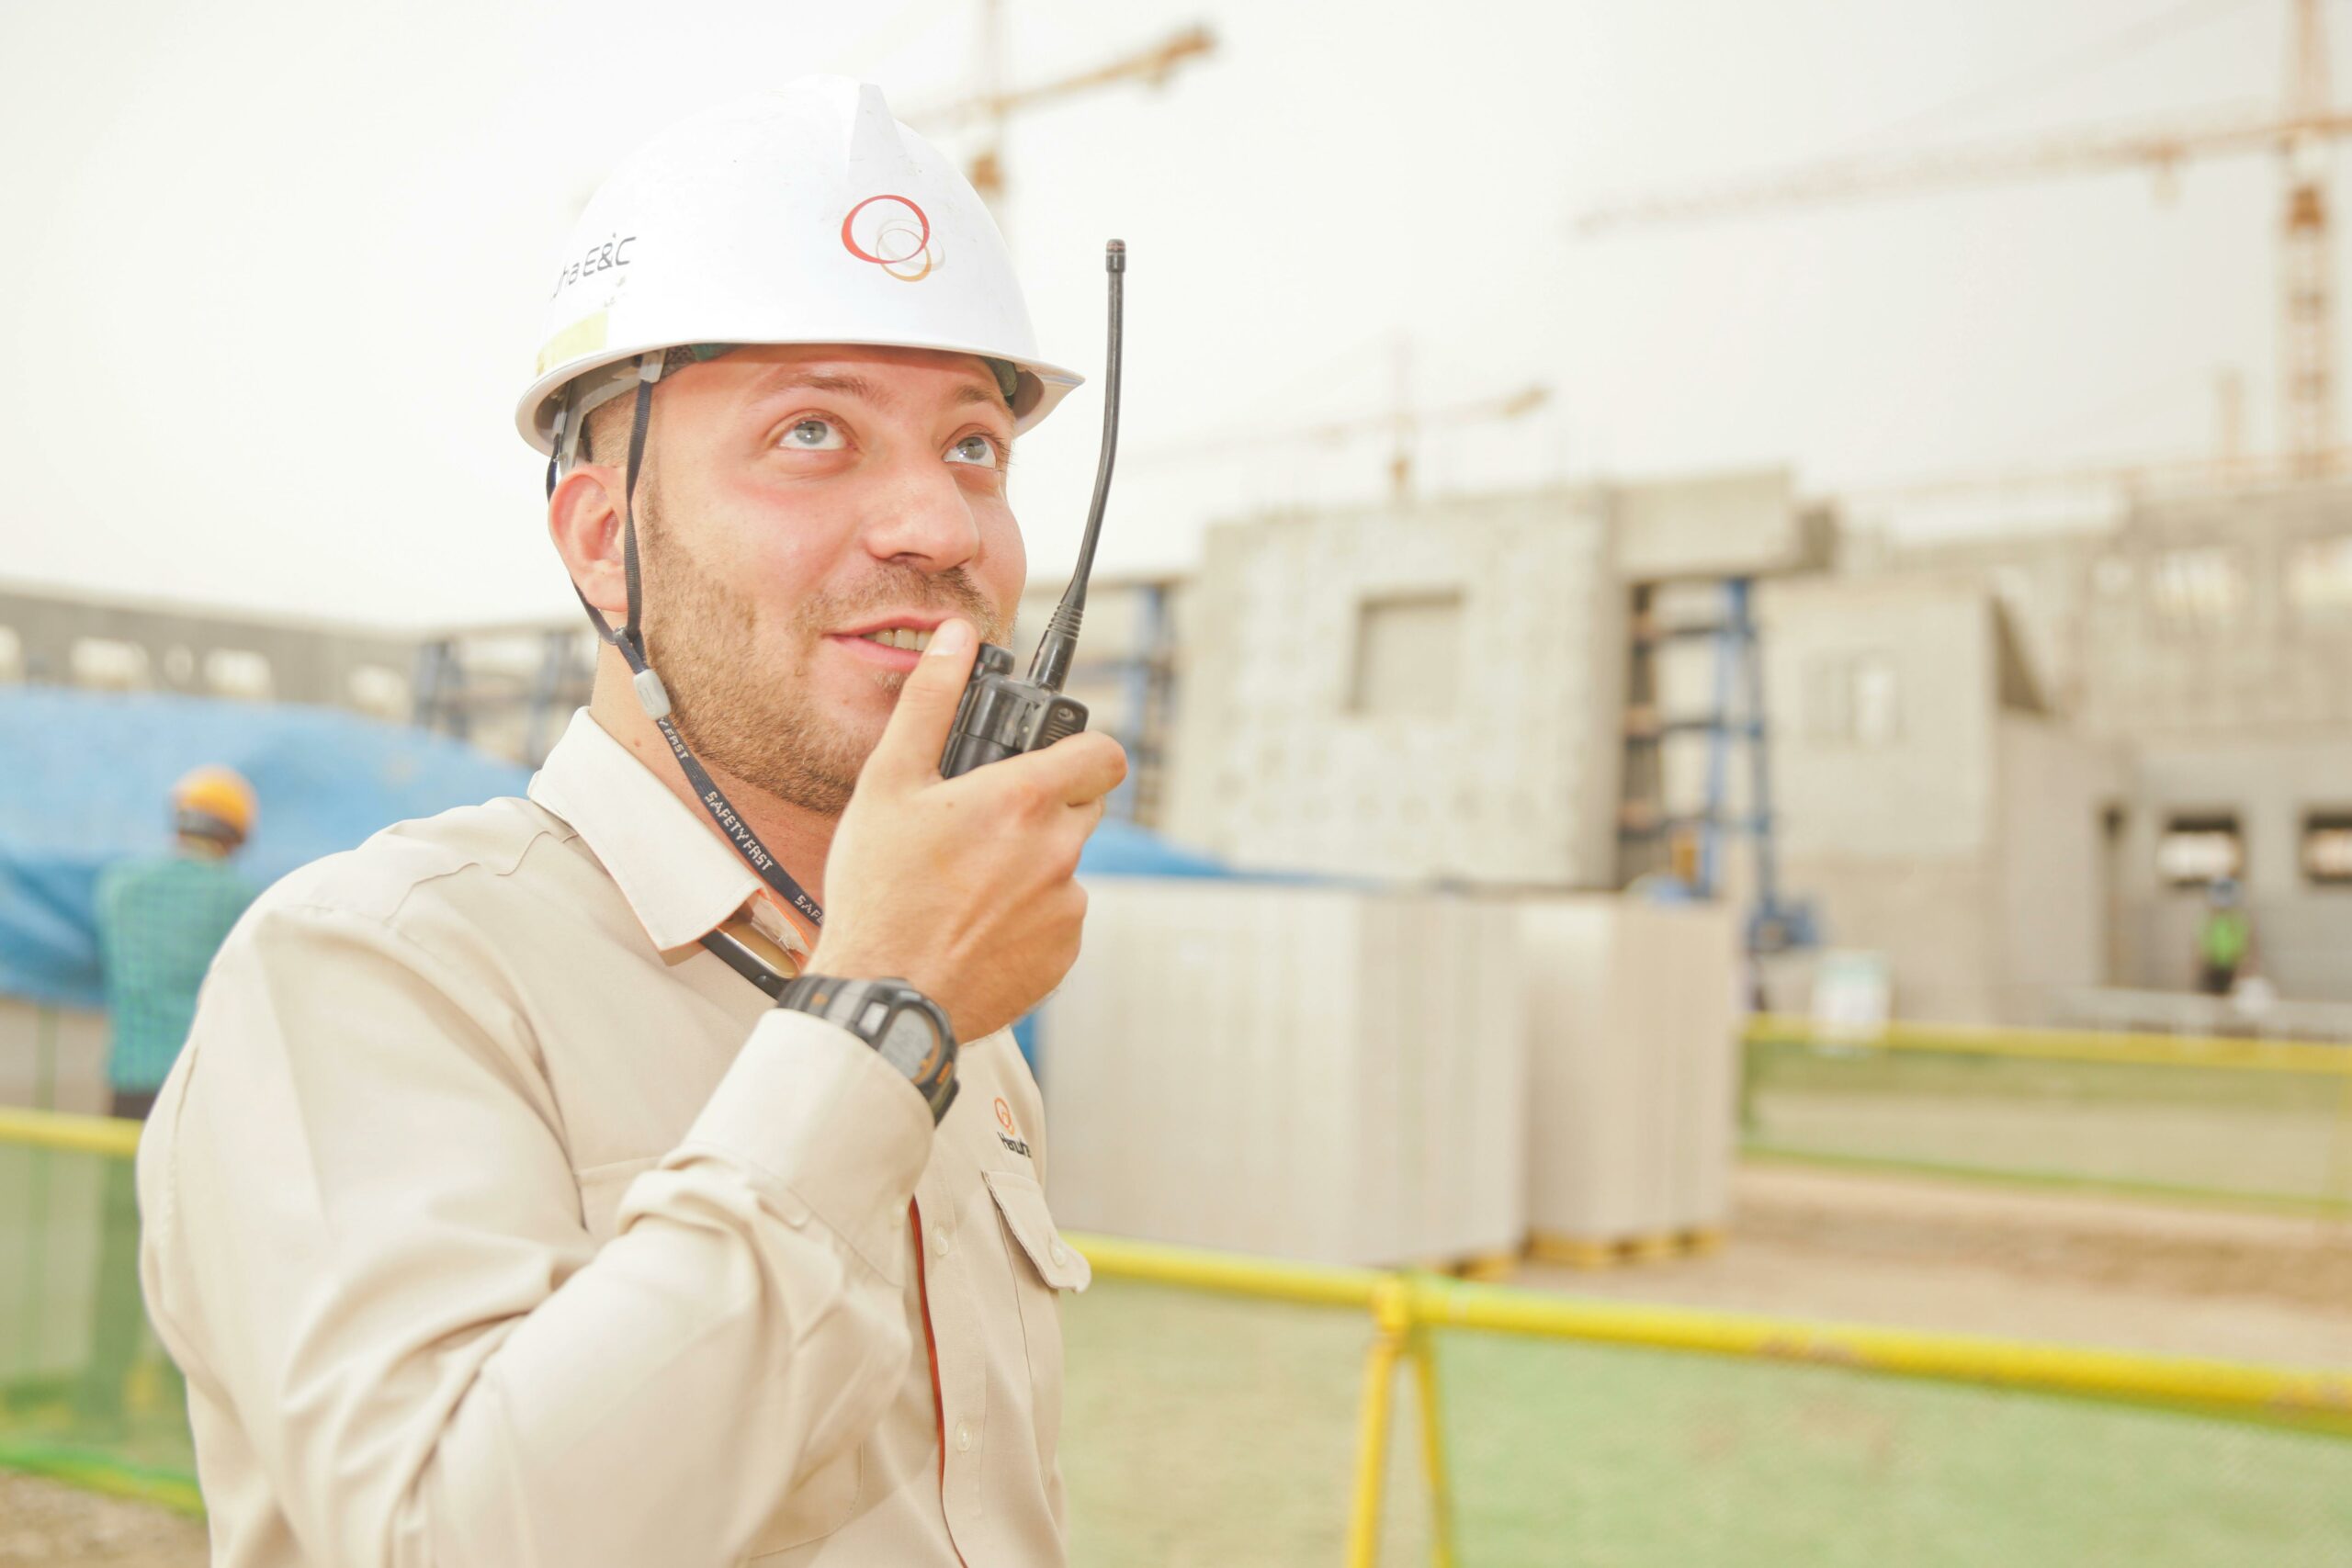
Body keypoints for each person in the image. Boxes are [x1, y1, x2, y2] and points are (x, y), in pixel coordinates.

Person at [136, 79, 1125, 1567]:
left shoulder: (961, 1027)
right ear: (605, 542)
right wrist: (876, 1027)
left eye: (976, 445)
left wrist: (903, 1006)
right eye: (813, 431)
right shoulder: (377, 970)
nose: (937, 523)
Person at [76, 763, 255, 1432]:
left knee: (119, 1245)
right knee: (199, 1248)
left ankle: (101, 1393)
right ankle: (197, 1412)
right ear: (236, 832)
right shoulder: (238, 899)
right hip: (200, 1092)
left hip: (125, 1089)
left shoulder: (120, 887)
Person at [2197, 876, 2252, 997]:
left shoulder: (2236, 921)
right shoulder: (2209, 920)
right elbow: (2202, 943)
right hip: (2212, 966)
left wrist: (2243, 963)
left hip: (2231, 966)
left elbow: (2244, 943)